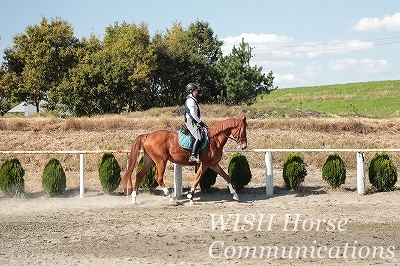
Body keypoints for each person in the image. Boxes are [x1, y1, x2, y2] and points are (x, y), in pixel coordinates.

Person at [184, 83, 206, 163]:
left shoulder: (193, 100)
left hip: (194, 121)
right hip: (191, 122)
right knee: (199, 137)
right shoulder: (190, 100)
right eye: (196, 91)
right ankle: (192, 156)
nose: (197, 92)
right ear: (191, 91)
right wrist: (200, 122)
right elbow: (193, 113)